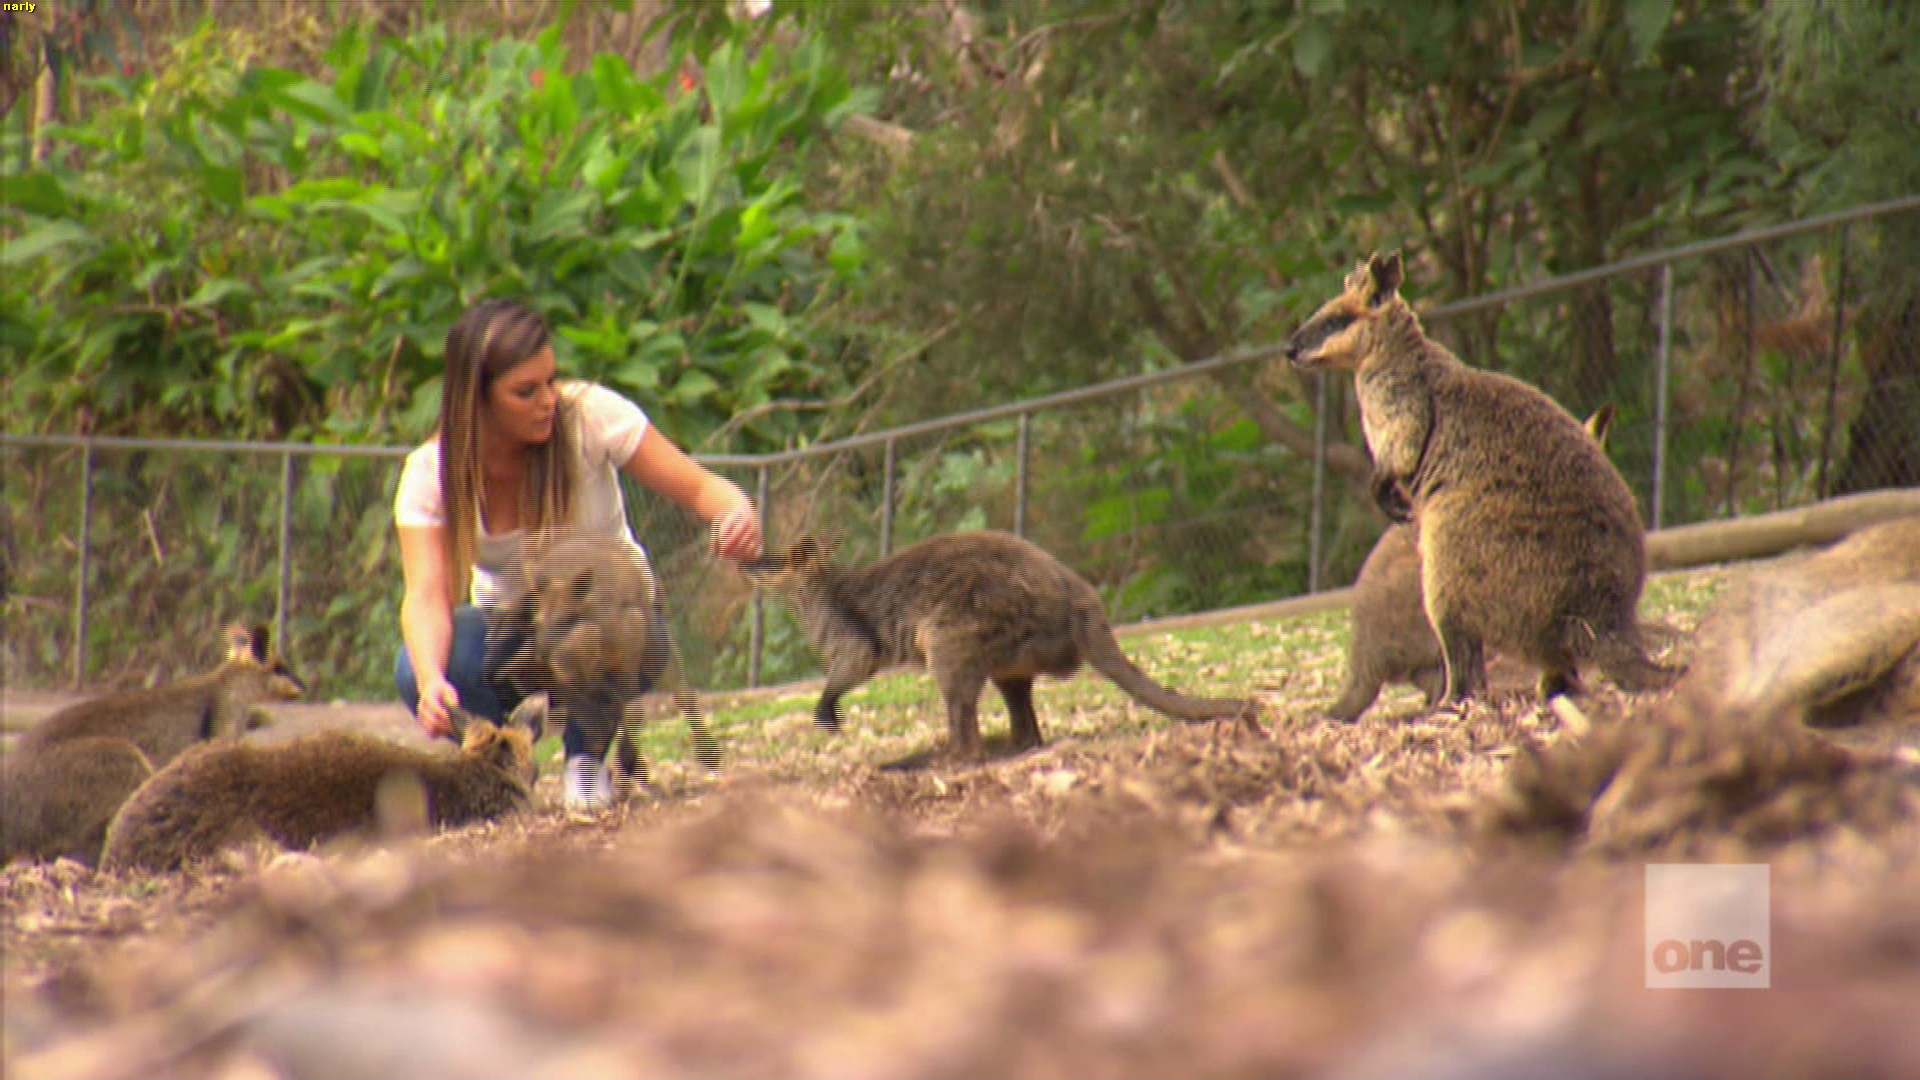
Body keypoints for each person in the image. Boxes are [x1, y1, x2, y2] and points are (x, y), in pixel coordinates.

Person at [393, 298, 763, 811]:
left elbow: (701, 488)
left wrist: (737, 515)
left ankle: (586, 762)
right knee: (416, 666)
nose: (549, 400)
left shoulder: (590, 416)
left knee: (604, 617)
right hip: (511, 633)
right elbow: (425, 596)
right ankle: (496, 768)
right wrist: (432, 680)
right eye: (526, 391)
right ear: (475, 401)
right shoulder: (430, 472)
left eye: (550, 381)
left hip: (615, 622)